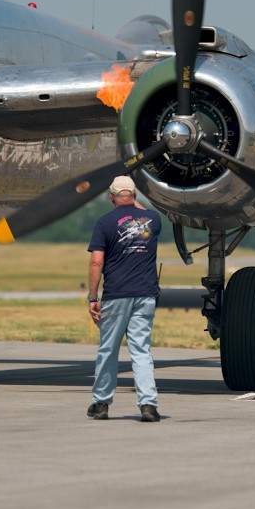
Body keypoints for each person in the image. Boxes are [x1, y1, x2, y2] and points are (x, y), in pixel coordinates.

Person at [86, 174, 162, 422]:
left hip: (116, 294)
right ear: (134, 195)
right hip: (145, 294)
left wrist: (92, 298)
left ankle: (101, 403)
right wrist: (133, 201)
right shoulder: (152, 220)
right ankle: (148, 404)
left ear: (111, 197)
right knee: (141, 350)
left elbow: (96, 262)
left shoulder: (104, 223)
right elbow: (141, 210)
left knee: (108, 349)